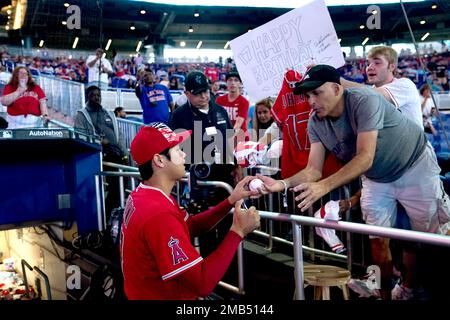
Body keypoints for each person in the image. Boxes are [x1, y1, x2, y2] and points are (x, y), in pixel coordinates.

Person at [258, 65, 450, 300]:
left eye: (316, 93)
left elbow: (365, 157)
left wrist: (324, 186)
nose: (310, 101)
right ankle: (384, 295)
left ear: (337, 88)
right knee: (377, 241)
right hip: (377, 178)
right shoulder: (315, 122)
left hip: (414, 166)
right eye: (307, 96)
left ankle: (423, 288)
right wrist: (281, 184)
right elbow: (313, 170)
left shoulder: (363, 100)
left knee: (434, 238)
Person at [120, 123, 260, 299]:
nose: (184, 154)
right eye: (178, 150)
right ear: (159, 160)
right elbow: (202, 283)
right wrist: (238, 231)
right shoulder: (158, 213)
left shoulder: (146, 193)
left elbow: (190, 225)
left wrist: (230, 201)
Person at [74, 85, 127, 216]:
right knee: (105, 192)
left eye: (98, 95)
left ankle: (116, 216)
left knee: (120, 189)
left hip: (117, 157)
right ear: (87, 97)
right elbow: (80, 136)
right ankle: (105, 218)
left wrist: (124, 154)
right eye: (93, 95)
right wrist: (99, 142)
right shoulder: (82, 115)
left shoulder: (108, 113)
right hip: (98, 159)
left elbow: (118, 134)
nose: (97, 98)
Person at [341, 46, 423, 128]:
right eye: (368, 64)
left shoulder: (405, 85)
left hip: (413, 140)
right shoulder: (371, 90)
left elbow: (373, 95)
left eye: (377, 63)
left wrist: (338, 81)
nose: (369, 68)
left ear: (391, 67)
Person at [215, 70, 250, 137]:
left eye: (236, 80)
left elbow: (238, 124)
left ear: (240, 83)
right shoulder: (219, 100)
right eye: (230, 80)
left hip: (239, 137)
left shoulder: (244, 102)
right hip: (223, 135)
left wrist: (228, 139)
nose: (232, 83)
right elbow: (216, 120)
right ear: (226, 83)